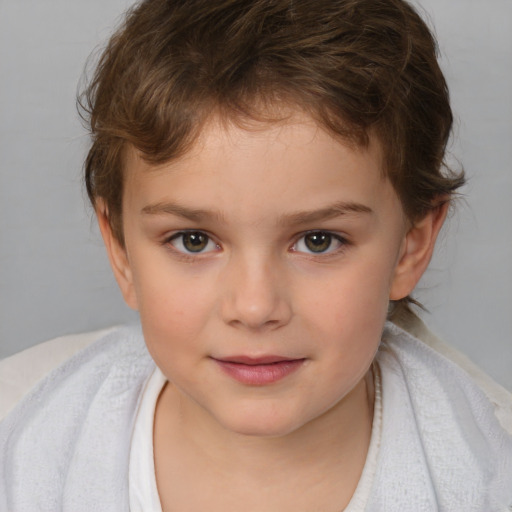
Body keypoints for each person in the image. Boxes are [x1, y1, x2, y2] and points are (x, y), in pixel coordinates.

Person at [1, 0, 511, 510]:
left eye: (318, 240)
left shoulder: (487, 474)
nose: (253, 306)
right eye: (193, 240)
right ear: (121, 251)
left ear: (410, 246)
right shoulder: (20, 434)